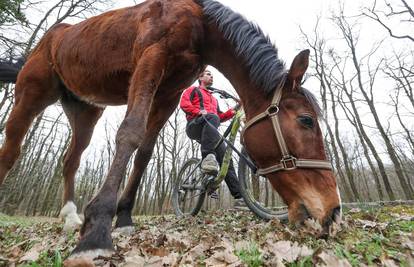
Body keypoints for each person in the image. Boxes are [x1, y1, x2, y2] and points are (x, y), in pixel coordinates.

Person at [180, 69, 245, 208]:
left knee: (227, 160)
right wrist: (198, 112)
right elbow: (184, 104)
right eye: (208, 74)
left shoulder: (214, 99)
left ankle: (240, 198)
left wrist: (234, 110)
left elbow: (219, 117)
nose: (211, 76)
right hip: (194, 125)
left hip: (210, 129)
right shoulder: (193, 90)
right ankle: (208, 157)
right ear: (200, 77)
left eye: (212, 75)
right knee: (211, 116)